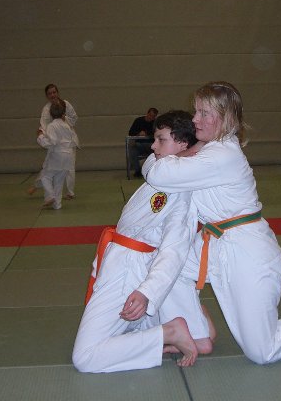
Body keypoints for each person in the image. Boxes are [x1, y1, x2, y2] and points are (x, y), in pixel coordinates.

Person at [143, 82, 281, 366]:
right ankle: (196, 333)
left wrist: (165, 156)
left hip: (248, 253)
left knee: (263, 351)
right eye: (196, 111)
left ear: (225, 117)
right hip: (216, 244)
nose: (195, 119)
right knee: (163, 267)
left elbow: (158, 174)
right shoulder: (210, 149)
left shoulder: (222, 155)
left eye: (204, 113)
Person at [72, 110, 213, 373]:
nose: (153, 146)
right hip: (119, 261)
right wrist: (190, 153)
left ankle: (170, 331)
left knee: (85, 357)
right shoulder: (160, 170)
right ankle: (192, 322)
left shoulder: (181, 194)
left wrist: (146, 293)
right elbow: (150, 163)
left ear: (182, 143)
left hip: (130, 270)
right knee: (128, 327)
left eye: (161, 139)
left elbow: (173, 252)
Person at [28, 84, 79, 198]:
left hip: (68, 141)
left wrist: (65, 118)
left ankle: (70, 192)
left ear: (57, 92)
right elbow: (44, 125)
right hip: (55, 142)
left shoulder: (66, 104)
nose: (52, 95)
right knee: (48, 166)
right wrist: (42, 134)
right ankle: (37, 185)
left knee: (70, 167)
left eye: (54, 92)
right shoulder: (46, 109)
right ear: (47, 96)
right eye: (50, 93)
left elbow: (74, 119)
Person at [36, 100, 78, 210]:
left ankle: (50, 196)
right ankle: (57, 205)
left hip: (58, 155)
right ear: (63, 113)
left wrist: (40, 137)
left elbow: (52, 142)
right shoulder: (67, 126)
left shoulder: (52, 126)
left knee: (45, 176)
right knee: (59, 181)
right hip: (68, 156)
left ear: (51, 114)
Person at [128, 108, 158, 178]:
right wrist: (139, 134)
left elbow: (156, 133)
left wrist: (146, 133)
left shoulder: (155, 123)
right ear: (147, 113)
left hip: (151, 146)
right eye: (150, 115)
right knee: (133, 150)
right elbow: (131, 132)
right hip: (139, 145)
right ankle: (137, 171)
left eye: (153, 116)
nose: (151, 117)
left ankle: (152, 171)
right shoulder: (138, 121)